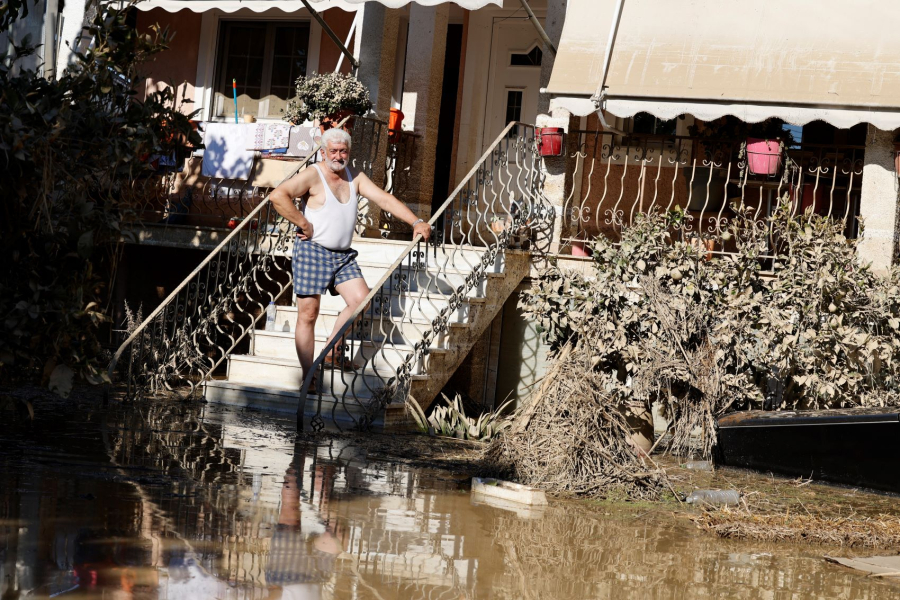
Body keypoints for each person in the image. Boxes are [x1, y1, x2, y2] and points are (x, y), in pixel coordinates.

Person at [270, 128, 431, 392]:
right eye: (333, 151)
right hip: (312, 251)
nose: (338, 156)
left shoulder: (355, 177)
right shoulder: (313, 174)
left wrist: (416, 221)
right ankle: (308, 375)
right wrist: (302, 222)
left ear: (349, 152)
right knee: (308, 314)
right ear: (323, 152)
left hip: (343, 255)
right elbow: (278, 195)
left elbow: (384, 199)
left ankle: (331, 349)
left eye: (343, 151)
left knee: (361, 301)